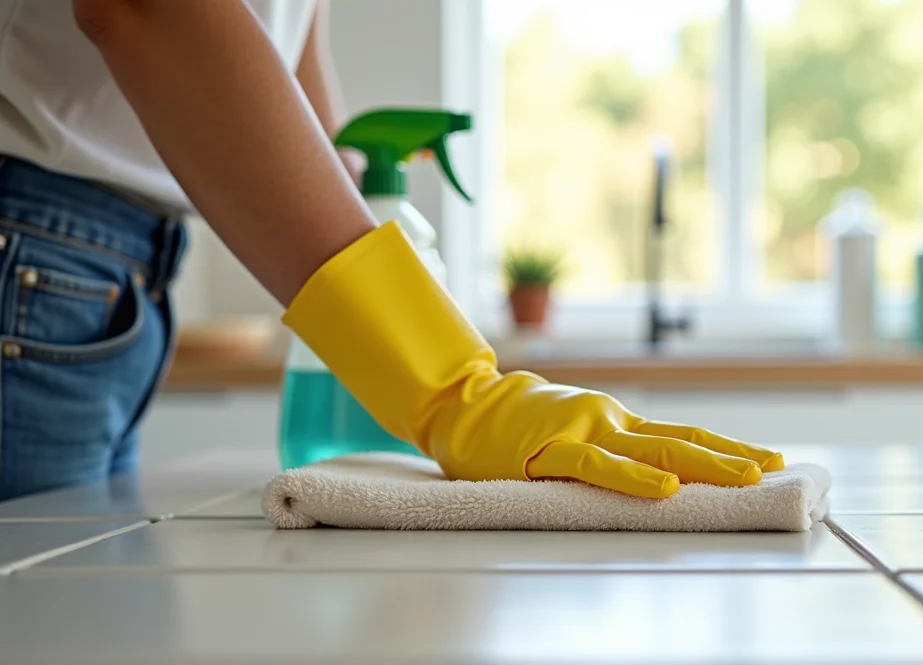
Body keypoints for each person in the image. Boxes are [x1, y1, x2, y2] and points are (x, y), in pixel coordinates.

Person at [0, 0, 783, 502]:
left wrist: (368, 236)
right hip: (33, 246)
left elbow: (287, 43)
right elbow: (145, 9)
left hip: (106, 276)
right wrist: (451, 390)